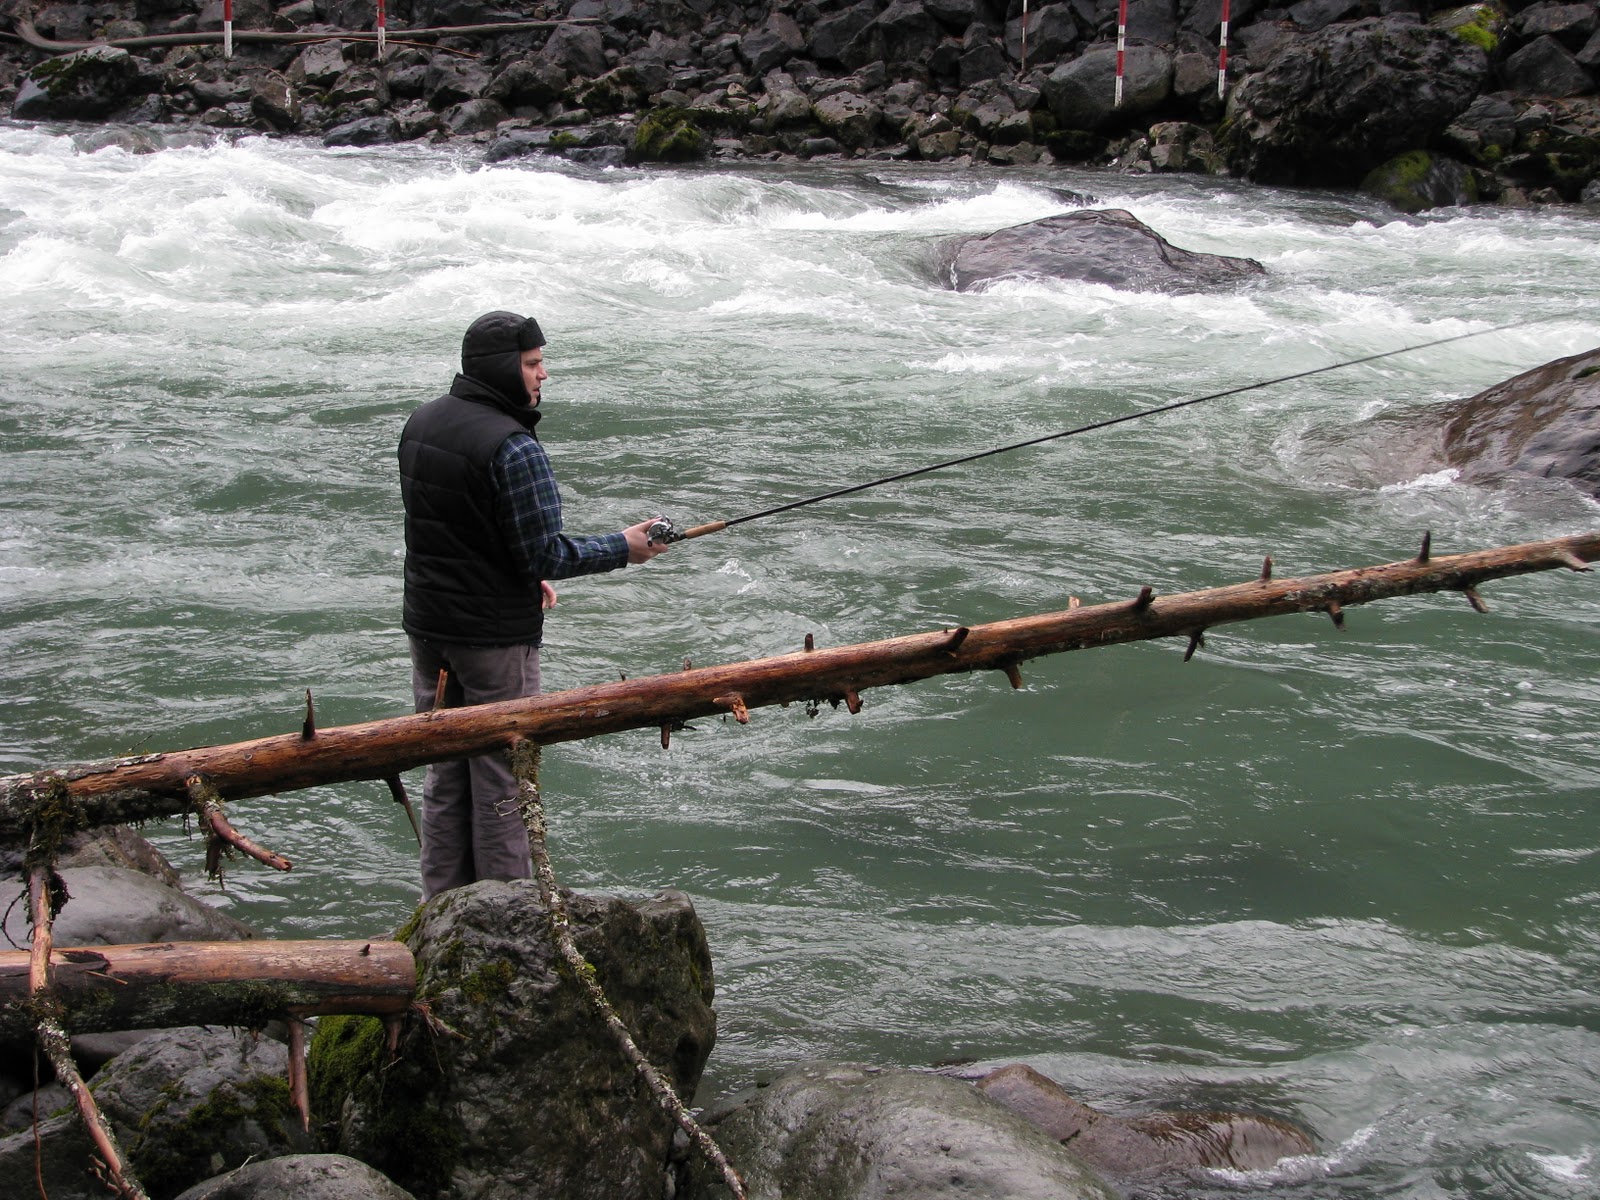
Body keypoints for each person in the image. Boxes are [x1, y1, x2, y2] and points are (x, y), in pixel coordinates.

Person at [398, 310, 669, 899]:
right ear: (502, 368)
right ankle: (505, 917)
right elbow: (543, 552)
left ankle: (439, 913)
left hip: (429, 629)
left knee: (445, 774)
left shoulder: (422, 423)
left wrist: (521, 576)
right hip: (494, 640)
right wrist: (626, 547)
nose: (543, 374)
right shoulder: (514, 447)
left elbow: (449, 533)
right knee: (503, 781)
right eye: (532, 363)